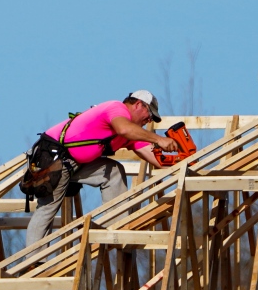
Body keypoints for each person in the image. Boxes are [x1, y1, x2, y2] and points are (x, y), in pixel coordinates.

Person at [24, 90, 178, 247]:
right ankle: (32, 262)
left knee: (113, 172)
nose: (149, 120)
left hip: (77, 163)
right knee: (48, 207)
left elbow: (158, 160)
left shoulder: (130, 134)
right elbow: (124, 129)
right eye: (149, 114)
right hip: (53, 159)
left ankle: (117, 228)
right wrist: (159, 139)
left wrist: (184, 162)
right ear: (138, 104)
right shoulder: (116, 108)